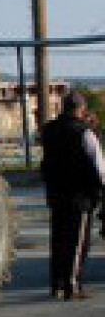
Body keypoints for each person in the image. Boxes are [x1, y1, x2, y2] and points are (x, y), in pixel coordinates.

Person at [40, 91, 105, 300]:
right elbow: (98, 165)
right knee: (77, 243)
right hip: (80, 196)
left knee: (58, 241)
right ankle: (71, 285)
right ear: (81, 109)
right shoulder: (84, 132)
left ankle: (56, 284)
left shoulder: (49, 130)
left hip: (56, 194)